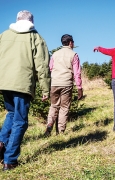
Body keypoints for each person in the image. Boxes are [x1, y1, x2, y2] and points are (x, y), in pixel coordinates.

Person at [0, 10, 50, 171]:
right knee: (20, 120)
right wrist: (45, 89)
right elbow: (42, 66)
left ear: (17, 20)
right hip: (22, 84)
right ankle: (10, 160)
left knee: (12, 113)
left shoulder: (4, 35)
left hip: (4, 83)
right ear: (32, 21)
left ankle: (1, 144)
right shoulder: (35, 37)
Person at [44, 34, 83, 136]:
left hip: (54, 83)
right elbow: (77, 73)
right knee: (64, 107)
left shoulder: (55, 54)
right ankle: (60, 131)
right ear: (70, 43)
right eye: (73, 42)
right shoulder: (74, 55)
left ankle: (49, 124)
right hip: (66, 83)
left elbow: (51, 68)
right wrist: (79, 87)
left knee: (54, 106)